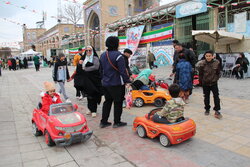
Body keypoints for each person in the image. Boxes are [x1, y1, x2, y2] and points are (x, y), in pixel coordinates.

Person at [99, 36, 131, 128]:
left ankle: (103, 122)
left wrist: (103, 79)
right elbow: (123, 71)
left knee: (107, 102)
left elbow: (100, 70)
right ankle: (117, 122)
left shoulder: (103, 55)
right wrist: (127, 81)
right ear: (116, 44)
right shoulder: (119, 56)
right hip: (116, 83)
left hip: (105, 83)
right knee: (118, 102)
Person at [77, 46, 103, 118]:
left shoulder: (95, 58)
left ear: (92, 51)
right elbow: (79, 68)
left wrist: (85, 68)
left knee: (94, 95)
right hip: (86, 80)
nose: (88, 52)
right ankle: (90, 108)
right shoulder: (83, 58)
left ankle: (94, 110)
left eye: (90, 50)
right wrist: (79, 64)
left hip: (94, 80)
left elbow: (96, 67)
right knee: (88, 95)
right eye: (87, 50)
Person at [198, 50, 222, 119]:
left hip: (214, 83)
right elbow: (200, 74)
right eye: (207, 56)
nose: (208, 57)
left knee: (216, 96)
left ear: (212, 56)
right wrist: (201, 82)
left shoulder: (216, 62)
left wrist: (216, 78)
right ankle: (207, 109)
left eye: (209, 56)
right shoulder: (202, 63)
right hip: (205, 83)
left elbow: (218, 72)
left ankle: (217, 110)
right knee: (206, 97)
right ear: (205, 56)